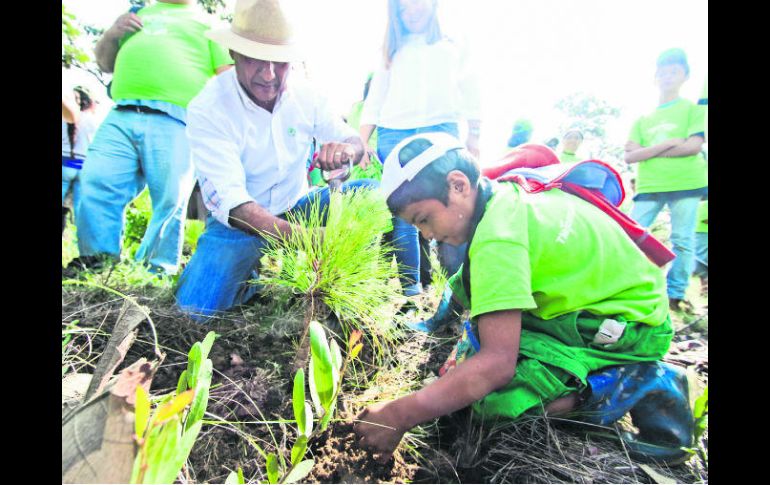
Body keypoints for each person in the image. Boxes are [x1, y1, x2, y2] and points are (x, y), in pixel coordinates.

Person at [354, 132, 694, 465]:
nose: (426, 234)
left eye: (424, 219)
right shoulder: (502, 196)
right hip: (602, 301)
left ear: (458, 185)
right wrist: (436, 321)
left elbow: (497, 365)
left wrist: (399, 414)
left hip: (627, 325)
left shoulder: (498, 239)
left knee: (495, 402)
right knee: (466, 364)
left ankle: (638, 383)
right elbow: (469, 279)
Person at [174, 0, 384, 321]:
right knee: (193, 314)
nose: (269, 74)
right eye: (256, 59)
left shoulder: (307, 96)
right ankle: (252, 281)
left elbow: (352, 140)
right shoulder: (210, 107)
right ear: (233, 54)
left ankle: (351, 285)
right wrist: (304, 239)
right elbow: (236, 205)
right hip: (238, 227)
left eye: (280, 62)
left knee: (373, 193)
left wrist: (346, 151)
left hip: (296, 207)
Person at [65, 0, 232, 276]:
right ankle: (97, 263)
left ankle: (153, 272)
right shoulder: (137, 14)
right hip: (122, 112)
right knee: (96, 181)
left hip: (177, 118)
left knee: (170, 198)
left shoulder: (212, 25)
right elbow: (105, 63)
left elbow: (228, 79)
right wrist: (112, 34)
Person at [358, 0, 482, 296]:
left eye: (416, 3)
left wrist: (475, 136)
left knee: (453, 208)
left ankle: (462, 294)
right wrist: (362, 141)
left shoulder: (454, 41)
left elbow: (470, 86)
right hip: (394, 133)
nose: (410, 11)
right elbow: (377, 96)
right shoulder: (392, 47)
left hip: (441, 131)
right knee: (404, 212)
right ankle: (411, 291)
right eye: (402, 8)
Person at [624, 48, 707, 312]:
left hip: (686, 183)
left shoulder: (693, 111)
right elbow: (630, 156)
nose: (668, 76)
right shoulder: (643, 119)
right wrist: (670, 143)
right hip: (650, 185)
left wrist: (649, 151)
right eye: (663, 72)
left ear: (685, 76)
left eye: (675, 71)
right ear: (655, 77)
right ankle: (626, 284)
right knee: (630, 233)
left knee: (683, 239)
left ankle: (675, 294)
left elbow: (693, 147)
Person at [62, 85, 100, 235]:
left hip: (65, 164)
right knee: (81, 214)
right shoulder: (94, 121)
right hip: (83, 168)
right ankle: (86, 249)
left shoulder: (66, 116)